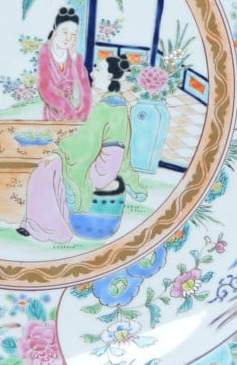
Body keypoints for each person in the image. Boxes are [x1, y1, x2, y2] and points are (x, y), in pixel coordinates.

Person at [19, 55, 146, 242]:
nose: (92, 73)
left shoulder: (106, 107)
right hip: (107, 163)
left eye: (98, 70)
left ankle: (50, 229)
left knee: (44, 170)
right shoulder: (117, 104)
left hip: (101, 166)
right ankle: (42, 224)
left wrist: (58, 153)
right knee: (53, 168)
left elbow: (86, 142)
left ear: (110, 77)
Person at [37, 6, 92, 122]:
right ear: (55, 30)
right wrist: (66, 108)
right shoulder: (45, 51)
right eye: (65, 32)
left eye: (73, 34)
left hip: (75, 116)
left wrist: (81, 114)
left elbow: (85, 91)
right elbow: (45, 87)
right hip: (53, 114)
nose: (68, 38)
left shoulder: (76, 58)